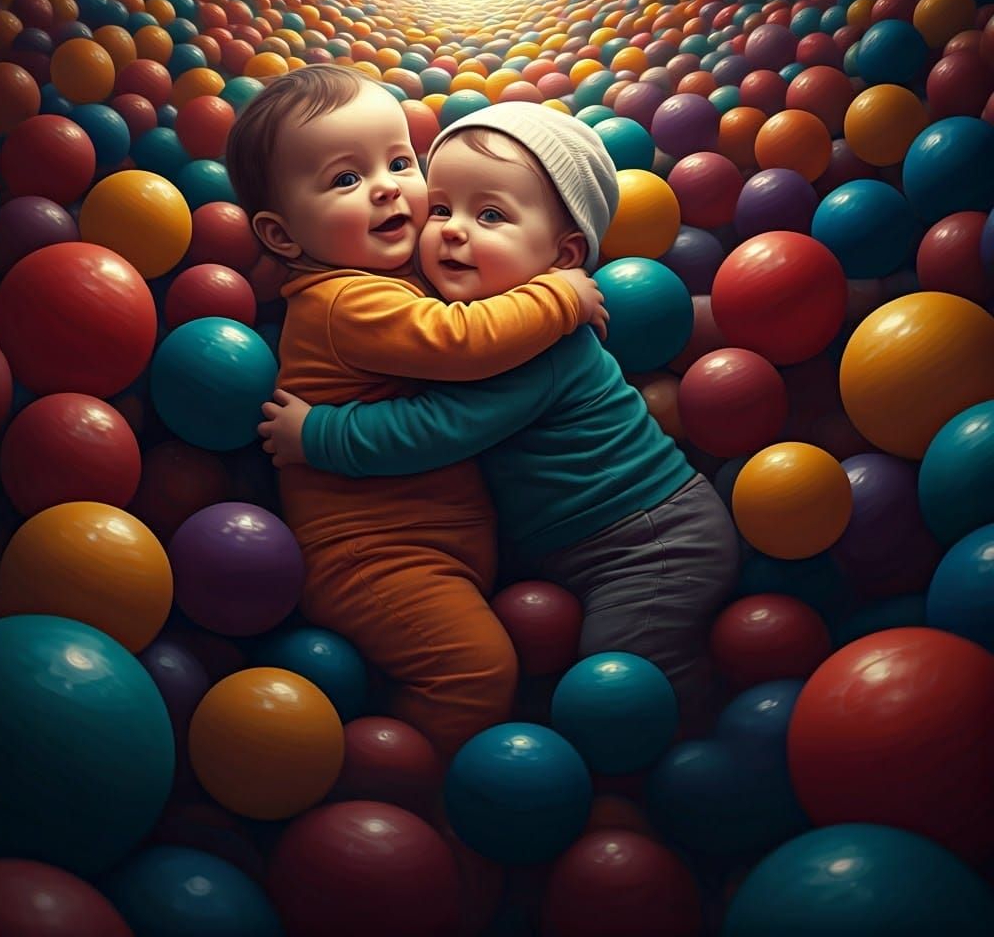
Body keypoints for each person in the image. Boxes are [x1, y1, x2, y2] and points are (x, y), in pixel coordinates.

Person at [259, 99, 743, 737]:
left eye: (489, 215)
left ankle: (683, 758)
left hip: (651, 541)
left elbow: (441, 425)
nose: (452, 230)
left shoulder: (539, 347)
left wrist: (318, 434)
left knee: (624, 675)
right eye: (441, 209)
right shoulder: (427, 306)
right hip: (580, 546)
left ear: (563, 256)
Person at [225, 64, 610, 758]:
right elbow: (460, 342)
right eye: (345, 179)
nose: (385, 186)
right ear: (284, 238)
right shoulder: (349, 300)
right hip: (378, 558)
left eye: (401, 161)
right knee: (476, 671)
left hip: (440, 549)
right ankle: (418, 803)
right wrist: (560, 296)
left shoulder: (393, 272)